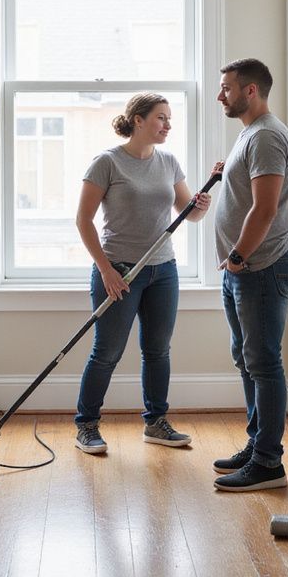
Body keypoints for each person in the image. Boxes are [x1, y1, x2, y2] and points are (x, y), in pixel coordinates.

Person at [73, 93, 211, 454]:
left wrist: (200, 205)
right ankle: (86, 425)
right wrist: (105, 270)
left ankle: (156, 423)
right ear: (137, 120)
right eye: (160, 118)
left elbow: (188, 214)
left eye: (169, 119)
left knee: (157, 350)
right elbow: (83, 221)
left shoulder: (168, 162)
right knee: (107, 352)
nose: (167, 125)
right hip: (119, 271)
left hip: (163, 270)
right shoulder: (107, 162)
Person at [211, 59, 288, 492]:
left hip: (260, 265)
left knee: (263, 363)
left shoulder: (265, 135)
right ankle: (257, 443)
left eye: (226, 88)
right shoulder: (251, 135)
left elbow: (265, 209)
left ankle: (268, 462)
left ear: (250, 91)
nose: (219, 95)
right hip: (245, 267)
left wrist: (240, 257)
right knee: (248, 360)